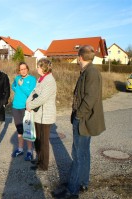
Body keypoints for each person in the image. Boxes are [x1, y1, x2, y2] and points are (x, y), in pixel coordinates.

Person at [53, 45, 105, 199]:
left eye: (77, 55)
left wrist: (78, 115)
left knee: (78, 155)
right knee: (83, 153)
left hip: (83, 120)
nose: (76, 58)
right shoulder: (87, 71)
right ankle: (82, 182)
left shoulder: (92, 72)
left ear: (80, 57)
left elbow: (89, 98)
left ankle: (72, 190)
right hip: (83, 119)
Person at [26, 58, 56, 171]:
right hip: (38, 115)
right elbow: (34, 93)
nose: (36, 68)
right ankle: (39, 159)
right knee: (37, 139)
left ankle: (44, 165)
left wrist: (30, 106)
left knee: (43, 142)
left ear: (44, 68)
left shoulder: (49, 81)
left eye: (38, 66)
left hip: (45, 116)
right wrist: (28, 102)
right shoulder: (41, 79)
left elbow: (42, 98)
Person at [11, 62, 36, 161]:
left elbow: (31, 93)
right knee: (19, 130)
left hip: (26, 108)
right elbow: (13, 86)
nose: (23, 71)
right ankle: (20, 149)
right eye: (21, 69)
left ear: (27, 69)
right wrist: (17, 88)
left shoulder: (32, 79)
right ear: (19, 71)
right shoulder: (17, 78)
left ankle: (29, 151)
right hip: (15, 106)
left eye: (24, 68)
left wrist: (21, 86)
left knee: (27, 130)